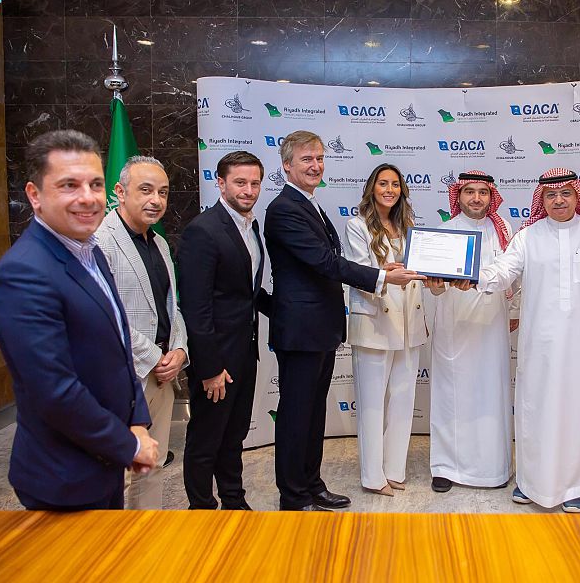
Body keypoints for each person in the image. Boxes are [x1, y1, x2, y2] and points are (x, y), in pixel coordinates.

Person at [0, 129, 157, 510]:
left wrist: (136, 420)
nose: (88, 197)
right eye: (69, 185)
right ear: (34, 195)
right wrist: (129, 444)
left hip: (104, 463)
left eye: (95, 184)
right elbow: (55, 392)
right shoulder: (23, 273)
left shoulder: (90, 252)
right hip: (63, 479)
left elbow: (118, 347)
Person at [264, 131, 423, 511]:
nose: (315, 165)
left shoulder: (310, 205)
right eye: (306, 159)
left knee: (312, 414)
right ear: (286, 165)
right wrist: (381, 276)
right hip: (301, 330)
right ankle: (293, 497)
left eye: (319, 158)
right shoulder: (284, 208)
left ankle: (311, 485)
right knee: (296, 415)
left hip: (318, 328)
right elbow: (324, 262)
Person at [454, 168, 580, 513]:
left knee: (578, 410)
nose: (558, 201)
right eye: (551, 195)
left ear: (578, 197)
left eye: (566, 194)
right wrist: (471, 276)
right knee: (535, 408)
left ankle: (575, 485)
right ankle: (530, 482)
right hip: (538, 343)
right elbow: (502, 272)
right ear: (541, 200)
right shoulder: (527, 237)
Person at [178, 151, 270, 511]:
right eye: (240, 182)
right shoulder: (203, 230)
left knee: (234, 435)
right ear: (220, 183)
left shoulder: (251, 226)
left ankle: (234, 500)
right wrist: (210, 368)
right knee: (206, 437)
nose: (248, 190)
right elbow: (196, 307)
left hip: (245, 351)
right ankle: (201, 509)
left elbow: (247, 292)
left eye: (254, 183)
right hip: (216, 359)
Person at [96, 155, 189, 509]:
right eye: (146, 190)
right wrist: (155, 356)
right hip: (125, 375)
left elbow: (172, 306)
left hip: (164, 375)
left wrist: (179, 350)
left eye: (163, 192)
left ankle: (148, 536)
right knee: (119, 474)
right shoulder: (100, 241)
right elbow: (107, 317)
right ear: (120, 192)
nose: (156, 200)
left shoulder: (160, 243)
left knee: (153, 466)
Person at [424, 170, 516, 493]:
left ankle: (493, 468)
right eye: (469, 192)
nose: (476, 198)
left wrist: (514, 312)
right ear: (458, 195)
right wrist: (435, 284)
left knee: (491, 395)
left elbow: (513, 277)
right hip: (455, 327)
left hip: (492, 328)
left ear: (491, 196)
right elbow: (434, 288)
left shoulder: (503, 230)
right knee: (450, 396)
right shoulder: (444, 232)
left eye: (482, 192)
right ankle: (445, 466)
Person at [344, 163, 427, 496]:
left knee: (403, 400)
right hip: (375, 322)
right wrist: (386, 273)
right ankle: (372, 476)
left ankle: (394, 469)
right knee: (372, 403)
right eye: (383, 183)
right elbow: (358, 272)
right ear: (372, 188)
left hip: (409, 324)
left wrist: (434, 277)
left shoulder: (409, 227)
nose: (389, 190)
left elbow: (420, 270)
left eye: (395, 184)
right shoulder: (357, 226)